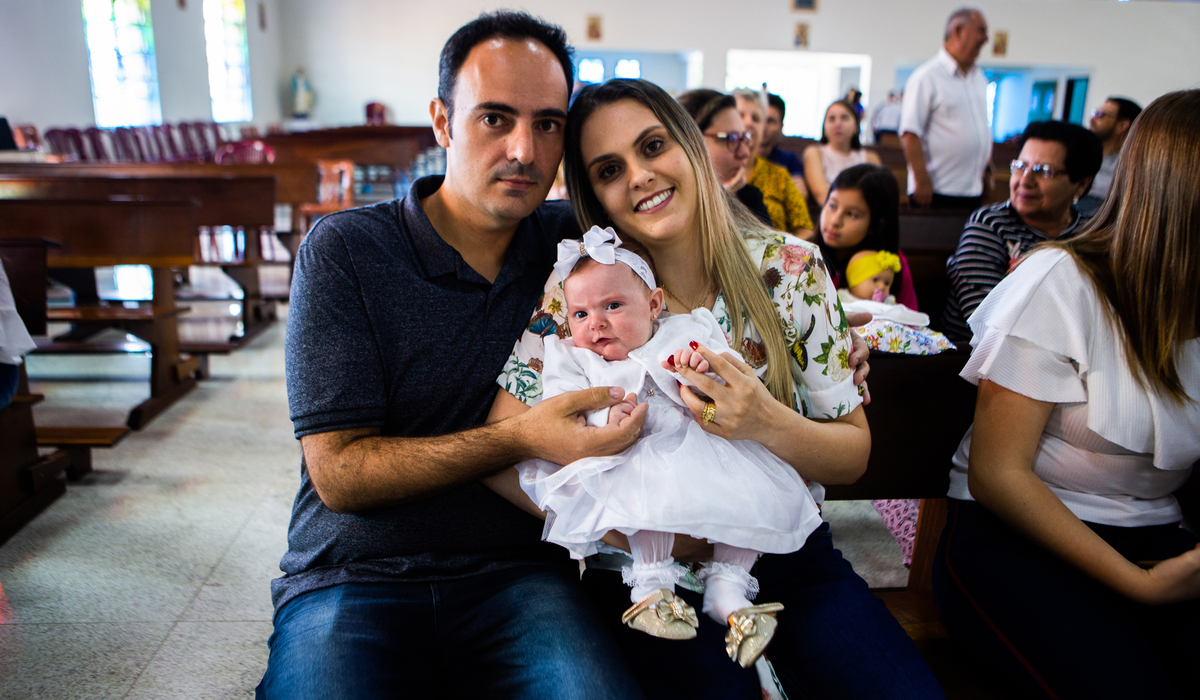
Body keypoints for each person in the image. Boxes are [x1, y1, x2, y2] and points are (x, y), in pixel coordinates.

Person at [488, 77, 943, 700]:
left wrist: (763, 420)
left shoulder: (790, 268)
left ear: (691, 145)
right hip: (642, 574)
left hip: (781, 549)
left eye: (653, 146)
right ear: (593, 195)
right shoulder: (582, 292)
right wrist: (633, 525)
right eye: (610, 169)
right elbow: (502, 449)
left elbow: (852, 453)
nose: (640, 176)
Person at [258, 12, 648, 698]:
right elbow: (341, 475)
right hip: (353, 575)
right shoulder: (347, 251)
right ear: (442, 121)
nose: (524, 150)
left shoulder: (576, 252)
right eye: (495, 118)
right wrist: (521, 438)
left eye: (548, 124)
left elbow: (692, 251)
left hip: (521, 575)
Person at [932, 89, 1200, 700]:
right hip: (1020, 533)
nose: (1026, 179)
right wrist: (1139, 585)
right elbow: (998, 475)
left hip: (1158, 532)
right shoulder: (1060, 280)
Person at [519, 228, 821, 667]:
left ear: (654, 304)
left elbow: (727, 372)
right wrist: (604, 418)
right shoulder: (572, 356)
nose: (595, 323)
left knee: (752, 489)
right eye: (580, 313)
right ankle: (651, 586)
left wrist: (702, 369)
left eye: (612, 306)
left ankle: (729, 587)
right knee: (648, 489)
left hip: (704, 444)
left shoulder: (684, 329)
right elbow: (562, 405)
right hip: (630, 452)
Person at [942, 120, 1102, 343]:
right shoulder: (990, 225)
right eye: (1020, 166)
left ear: (1081, 184)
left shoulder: (1092, 233)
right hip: (977, 355)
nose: (1025, 181)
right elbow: (987, 319)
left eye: (1043, 171)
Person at [900, 7, 992, 209]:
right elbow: (910, 134)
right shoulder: (927, 77)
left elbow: (981, 130)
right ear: (958, 31)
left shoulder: (979, 78)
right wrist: (921, 182)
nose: (986, 38)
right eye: (981, 30)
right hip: (937, 191)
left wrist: (986, 171)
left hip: (972, 190)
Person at [818, 163, 918, 311]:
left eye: (852, 214)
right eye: (832, 206)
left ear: (876, 225)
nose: (834, 221)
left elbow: (908, 318)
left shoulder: (890, 264)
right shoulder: (803, 255)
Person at [676, 88, 772, 226]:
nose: (745, 152)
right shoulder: (665, 203)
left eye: (744, 138)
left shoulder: (748, 196)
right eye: (732, 139)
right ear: (690, 141)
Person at [733, 88, 816, 240]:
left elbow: (806, 229)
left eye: (756, 118)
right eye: (740, 115)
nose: (748, 123)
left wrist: (781, 251)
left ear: (762, 129)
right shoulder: (713, 172)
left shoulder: (780, 175)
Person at [803, 100, 883, 206]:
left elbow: (878, 197)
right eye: (832, 119)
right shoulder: (815, 153)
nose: (838, 124)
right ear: (824, 128)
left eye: (844, 118)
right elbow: (822, 195)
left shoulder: (871, 158)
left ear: (856, 126)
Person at [1078, 96, 1142, 214]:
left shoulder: (1131, 168)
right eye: (1095, 113)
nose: (1092, 119)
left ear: (1122, 125)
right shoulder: (1080, 154)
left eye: (1101, 114)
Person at [761, 93, 806, 179]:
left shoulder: (790, 162)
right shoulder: (740, 158)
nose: (764, 127)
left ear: (781, 127)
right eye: (759, 119)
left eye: (770, 121)